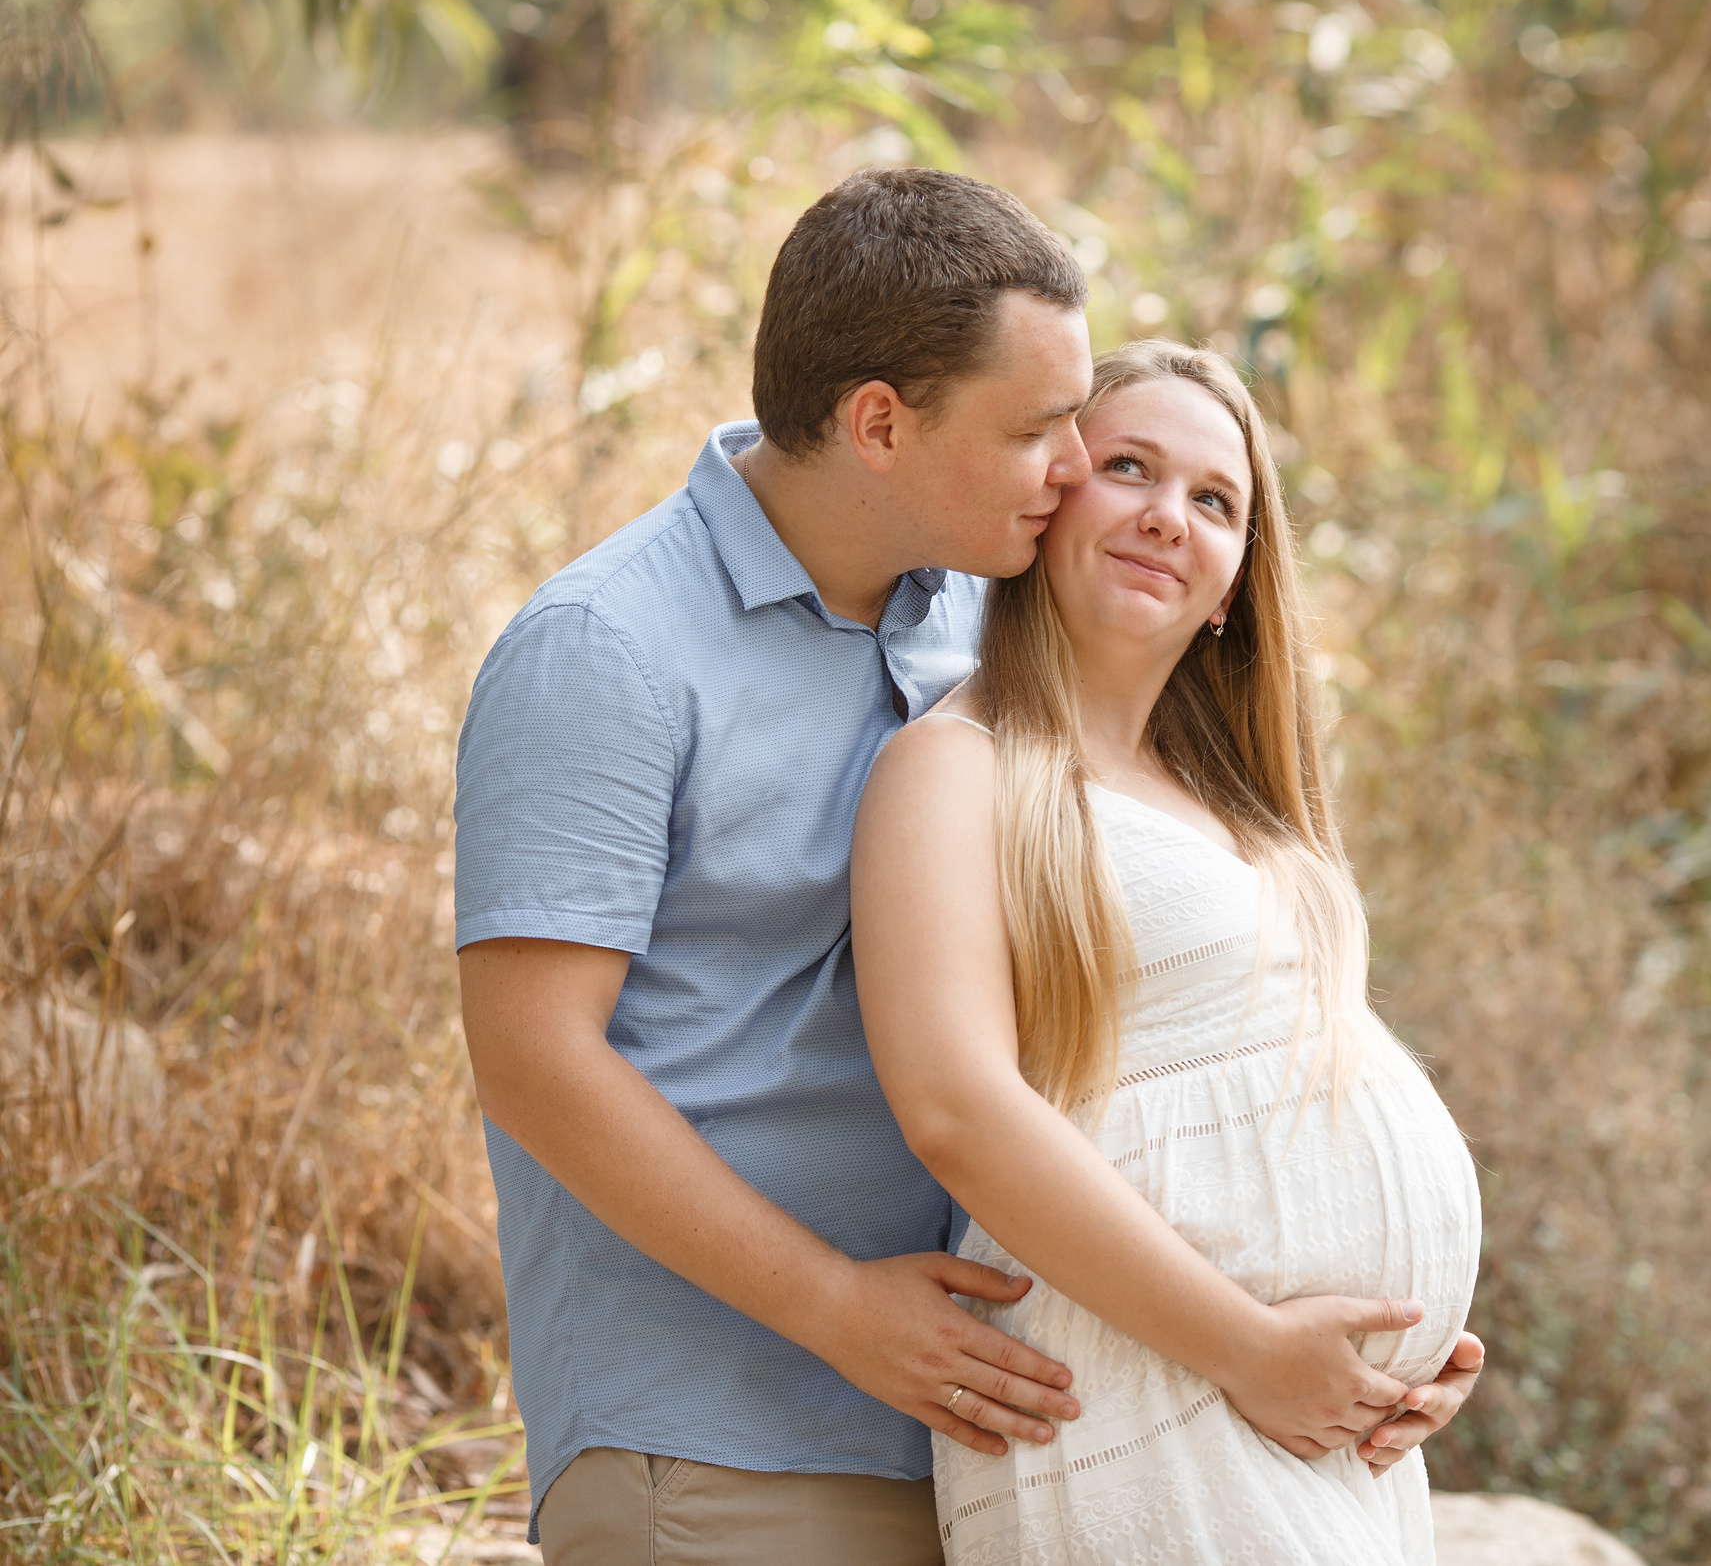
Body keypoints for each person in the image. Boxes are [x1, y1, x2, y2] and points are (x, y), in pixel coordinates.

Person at [453, 168, 1481, 1566]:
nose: (1073, 468)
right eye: (1043, 430)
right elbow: (532, 1061)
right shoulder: (609, 647)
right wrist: (835, 1304)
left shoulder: (964, 622)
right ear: (881, 422)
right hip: (717, 1430)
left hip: (981, 1405)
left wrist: (1370, 1321)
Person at [850, 340, 1483, 1564]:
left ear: (1239, 578)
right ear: (1052, 495)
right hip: (1136, 1395)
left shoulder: (1239, 807)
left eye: (1214, 500)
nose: (1164, 517)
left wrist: (1409, 1353)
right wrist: (1252, 1348)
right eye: (1127, 466)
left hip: (1310, 1431)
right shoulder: (954, 766)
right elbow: (955, 1107)